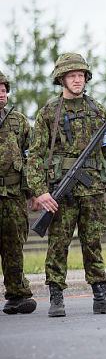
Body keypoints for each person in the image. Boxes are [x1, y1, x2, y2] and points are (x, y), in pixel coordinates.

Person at [28, 53, 106, 316]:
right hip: (62, 190)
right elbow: (35, 155)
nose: (77, 80)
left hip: (94, 189)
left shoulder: (97, 110)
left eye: (81, 75)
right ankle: (56, 297)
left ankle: (100, 295)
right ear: (61, 79)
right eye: (72, 75)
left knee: (92, 241)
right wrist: (40, 190)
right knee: (58, 243)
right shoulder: (48, 113)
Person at [0, 70, 37, 315]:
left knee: (13, 245)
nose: (1, 93)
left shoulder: (18, 120)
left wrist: (34, 191)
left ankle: (17, 294)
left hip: (13, 194)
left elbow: (31, 155)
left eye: (4, 89)